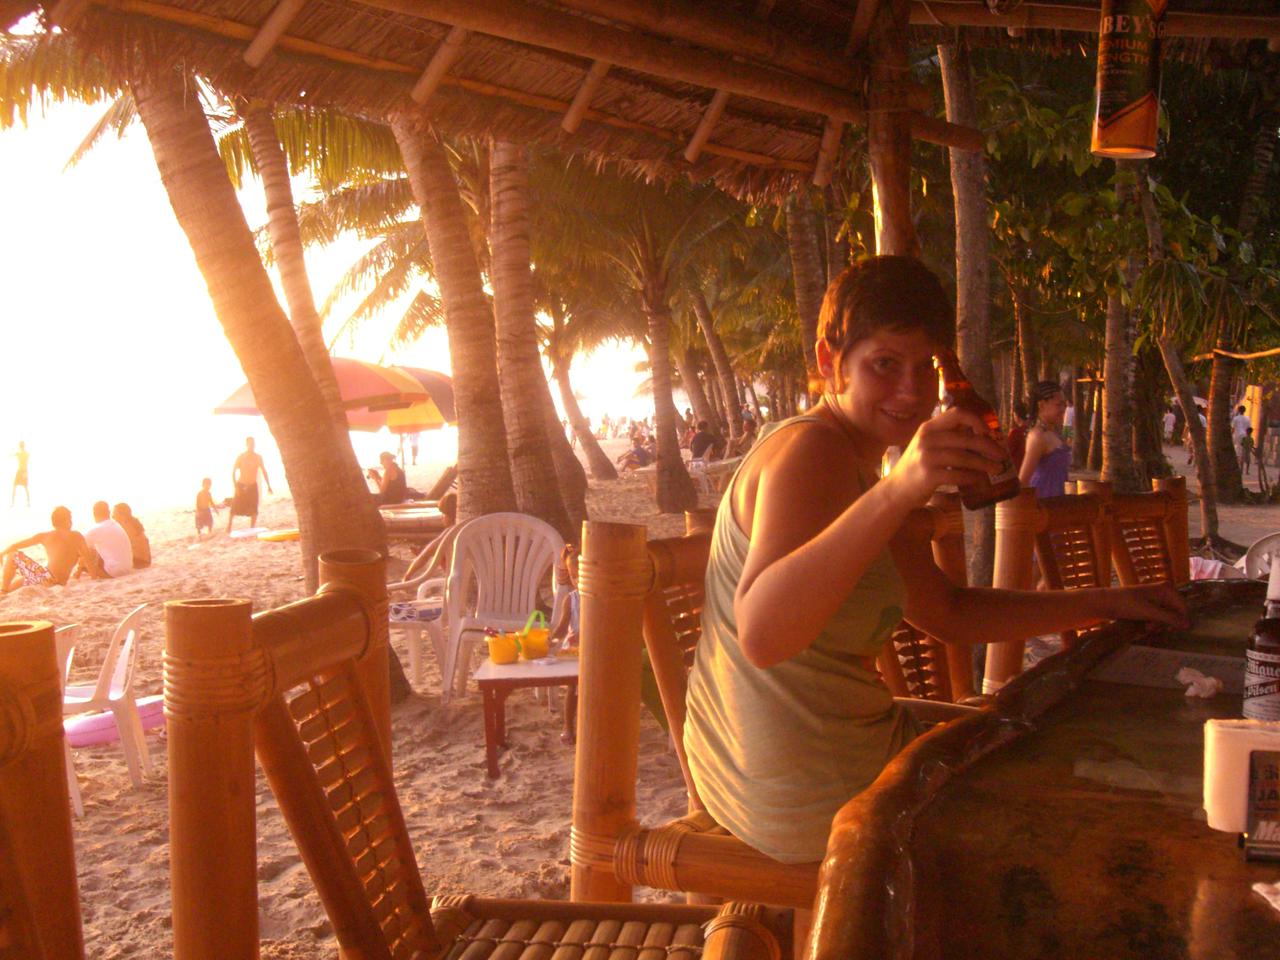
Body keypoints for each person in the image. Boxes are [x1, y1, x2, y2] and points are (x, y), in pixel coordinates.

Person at [681, 256, 1186, 866]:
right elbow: (762, 635)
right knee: (1080, 786)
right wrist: (903, 486)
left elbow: (948, 612)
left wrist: (1110, 603)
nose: (911, 391)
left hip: (763, 766)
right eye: (884, 364)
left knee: (1026, 728)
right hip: (804, 794)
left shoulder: (858, 466)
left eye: (926, 367)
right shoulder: (811, 451)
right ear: (828, 361)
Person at [0, 506, 96, 592]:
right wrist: (94, 578)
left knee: (12, 555)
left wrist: (2, 553)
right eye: (70, 519)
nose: (71, 522)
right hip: (57, 581)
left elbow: (14, 546)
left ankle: (4, 591)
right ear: (67, 520)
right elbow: (88, 560)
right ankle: (4, 592)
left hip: (46, 578)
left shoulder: (46, 536)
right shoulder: (77, 536)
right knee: (21, 581)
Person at [1018, 382, 1070, 498]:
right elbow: (1023, 481)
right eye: (1058, 405)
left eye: (1064, 404)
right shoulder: (1037, 436)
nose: (1063, 409)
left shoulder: (1054, 433)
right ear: (1041, 405)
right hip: (1042, 502)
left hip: (1058, 503)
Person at [228, 437, 272, 532]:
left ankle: (252, 528)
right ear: (246, 444)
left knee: (254, 508)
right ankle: (229, 526)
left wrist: (269, 485)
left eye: (253, 443)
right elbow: (233, 472)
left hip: (252, 485)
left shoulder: (258, 457)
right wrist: (236, 487)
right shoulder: (241, 457)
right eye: (250, 443)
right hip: (241, 484)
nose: (252, 445)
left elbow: (264, 471)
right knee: (235, 506)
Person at [112, 503, 152, 569]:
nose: (113, 516)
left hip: (138, 561)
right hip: (146, 560)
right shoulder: (133, 522)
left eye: (114, 513)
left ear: (122, 514)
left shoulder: (125, 526)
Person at [1005, 402, 1032, 473]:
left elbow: (1007, 452)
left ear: (1016, 416)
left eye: (1014, 415)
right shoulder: (1034, 431)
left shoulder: (1015, 433)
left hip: (1020, 471)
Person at [11, 441, 29, 507]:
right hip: (24, 471)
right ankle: (28, 502)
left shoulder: (19, 453)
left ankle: (12, 503)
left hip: (21, 471)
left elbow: (11, 455)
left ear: (19, 446)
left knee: (15, 486)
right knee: (25, 487)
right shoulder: (26, 454)